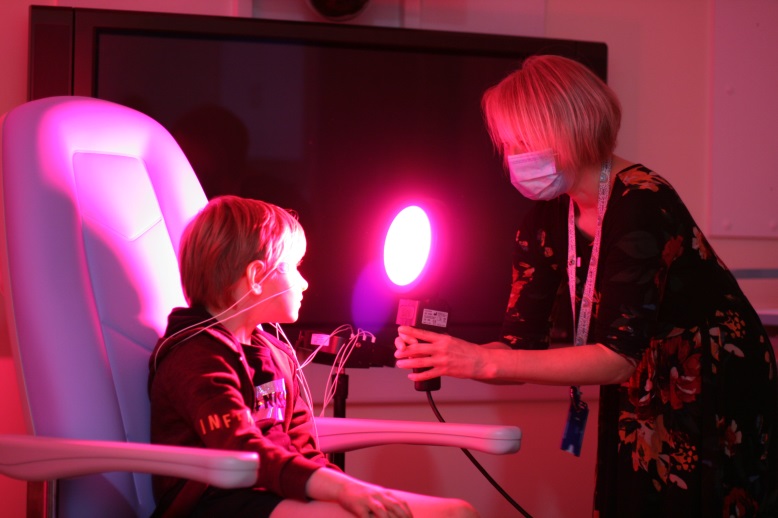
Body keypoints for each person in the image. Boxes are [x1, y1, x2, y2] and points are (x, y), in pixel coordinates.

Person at [394, 55, 778, 517]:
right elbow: (520, 347)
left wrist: (482, 360)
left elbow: (617, 357)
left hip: (709, 379)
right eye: (508, 144)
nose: (515, 157)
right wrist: (452, 356)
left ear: (571, 128)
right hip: (635, 377)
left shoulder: (641, 202)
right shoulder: (545, 219)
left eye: (524, 140)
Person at [148, 195, 479, 518]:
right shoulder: (196, 359)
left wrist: (351, 490)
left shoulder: (275, 355)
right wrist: (340, 491)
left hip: (277, 493)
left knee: (457, 512)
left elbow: (304, 450)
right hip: (218, 503)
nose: (304, 283)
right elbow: (240, 450)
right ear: (256, 278)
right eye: (293, 267)